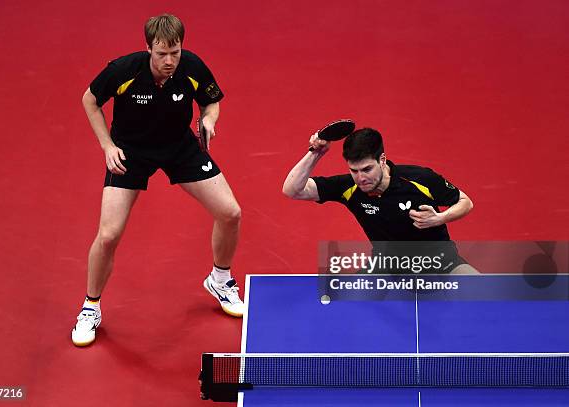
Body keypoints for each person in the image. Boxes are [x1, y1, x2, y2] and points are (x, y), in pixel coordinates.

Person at [72, 14, 244, 347]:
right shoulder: (124, 70)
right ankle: (90, 306)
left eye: (175, 52)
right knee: (108, 235)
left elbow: (212, 100)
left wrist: (208, 120)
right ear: (148, 47)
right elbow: (89, 100)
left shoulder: (191, 66)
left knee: (231, 213)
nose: (169, 61)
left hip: (179, 147)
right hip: (130, 152)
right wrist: (107, 145)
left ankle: (220, 279)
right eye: (162, 54)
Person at [282, 127, 476, 274]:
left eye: (367, 169)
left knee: (487, 301)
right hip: (388, 269)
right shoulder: (349, 187)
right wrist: (316, 153)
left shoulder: (419, 178)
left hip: (442, 264)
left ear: (382, 160)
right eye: (354, 171)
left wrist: (440, 218)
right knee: (344, 310)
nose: (360, 178)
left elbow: (465, 202)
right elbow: (292, 190)